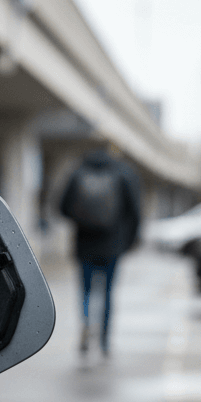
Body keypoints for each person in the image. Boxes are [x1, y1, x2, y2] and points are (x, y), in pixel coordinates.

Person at [60, 147, 141, 355]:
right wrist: (130, 240)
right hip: (113, 245)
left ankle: (87, 323)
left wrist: (82, 219)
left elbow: (61, 207)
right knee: (107, 292)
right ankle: (104, 339)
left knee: (86, 291)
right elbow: (134, 211)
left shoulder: (78, 172)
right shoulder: (122, 173)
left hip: (84, 243)